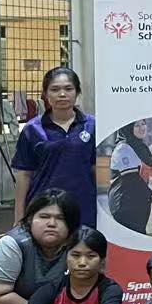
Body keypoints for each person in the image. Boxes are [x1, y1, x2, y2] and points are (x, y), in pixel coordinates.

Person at [11, 66, 95, 228]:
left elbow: (96, 170)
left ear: (77, 92)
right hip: (44, 209)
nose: (62, 94)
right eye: (55, 89)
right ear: (45, 94)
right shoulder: (32, 129)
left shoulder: (92, 126)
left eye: (68, 89)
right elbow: (24, 175)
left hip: (84, 209)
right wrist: (19, 218)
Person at [105, 124, 152, 234]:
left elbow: (150, 172)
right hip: (125, 204)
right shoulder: (123, 148)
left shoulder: (141, 147)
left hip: (139, 202)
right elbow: (132, 179)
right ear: (128, 128)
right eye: (136, 125)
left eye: (143, 123)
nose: (142, 127)